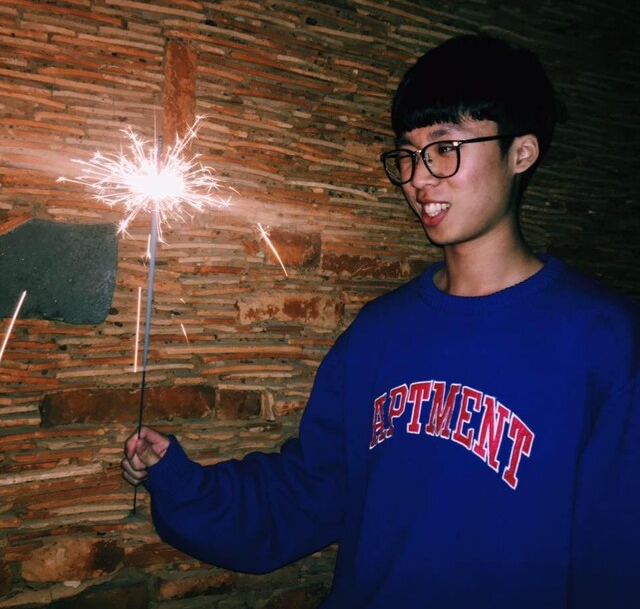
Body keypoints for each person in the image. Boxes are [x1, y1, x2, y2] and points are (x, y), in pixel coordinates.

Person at [121, 34, 639, 608]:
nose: (418, 178)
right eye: (408, 154)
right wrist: (182, 482)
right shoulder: (377, 334)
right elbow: (308, 494)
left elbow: (618, 561)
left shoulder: (607, 340)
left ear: (521, 152)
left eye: (445, 147)